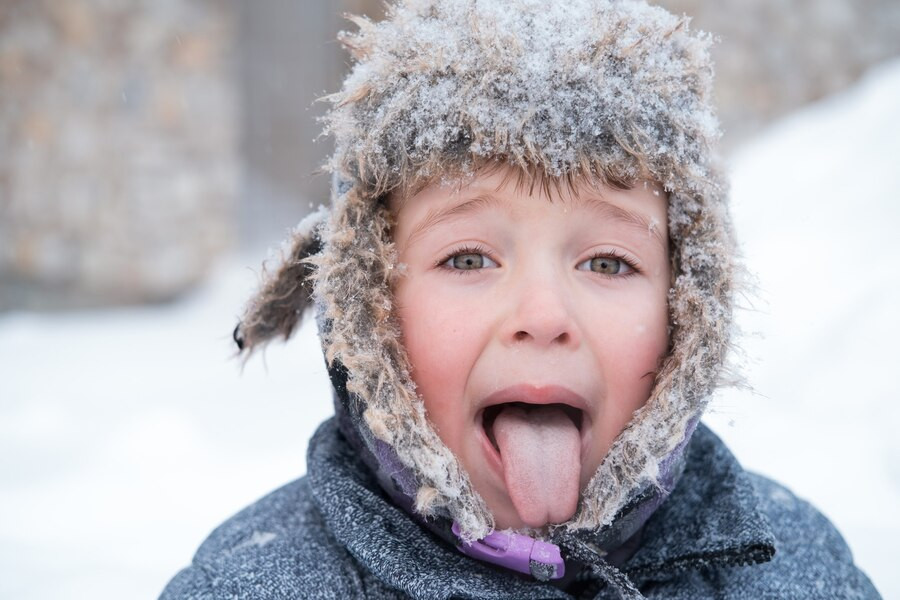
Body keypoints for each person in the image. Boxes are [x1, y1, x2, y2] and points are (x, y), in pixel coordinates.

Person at [160, 1, 880, 598]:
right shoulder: (256, 583)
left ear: (683, 316)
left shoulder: (795, 572)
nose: (543, 317)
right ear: (372, 306)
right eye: (468, 258)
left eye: (608, 261)